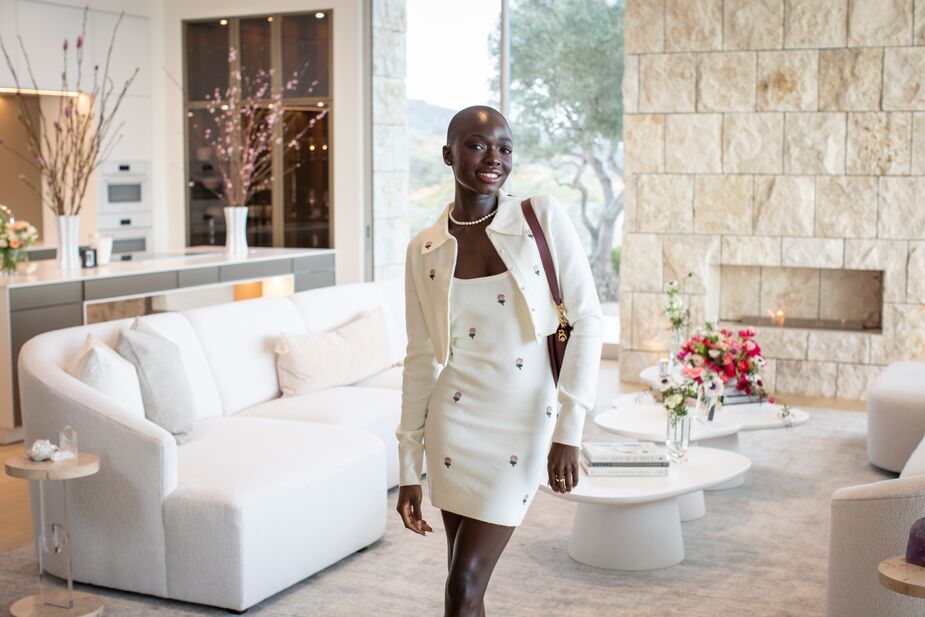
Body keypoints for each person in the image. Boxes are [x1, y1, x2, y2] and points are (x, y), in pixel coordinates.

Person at [395, 105, 603, 617]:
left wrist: (569, 432)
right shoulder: (424, 250)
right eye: (477, 144)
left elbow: (589, 322)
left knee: (462, 584)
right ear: (448, 154)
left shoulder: (542, 218)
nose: (494, 158)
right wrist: (407, 466)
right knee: (464, 586)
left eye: (505, 148)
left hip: (522, 422)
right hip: (455, 424)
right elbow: (421, 358)